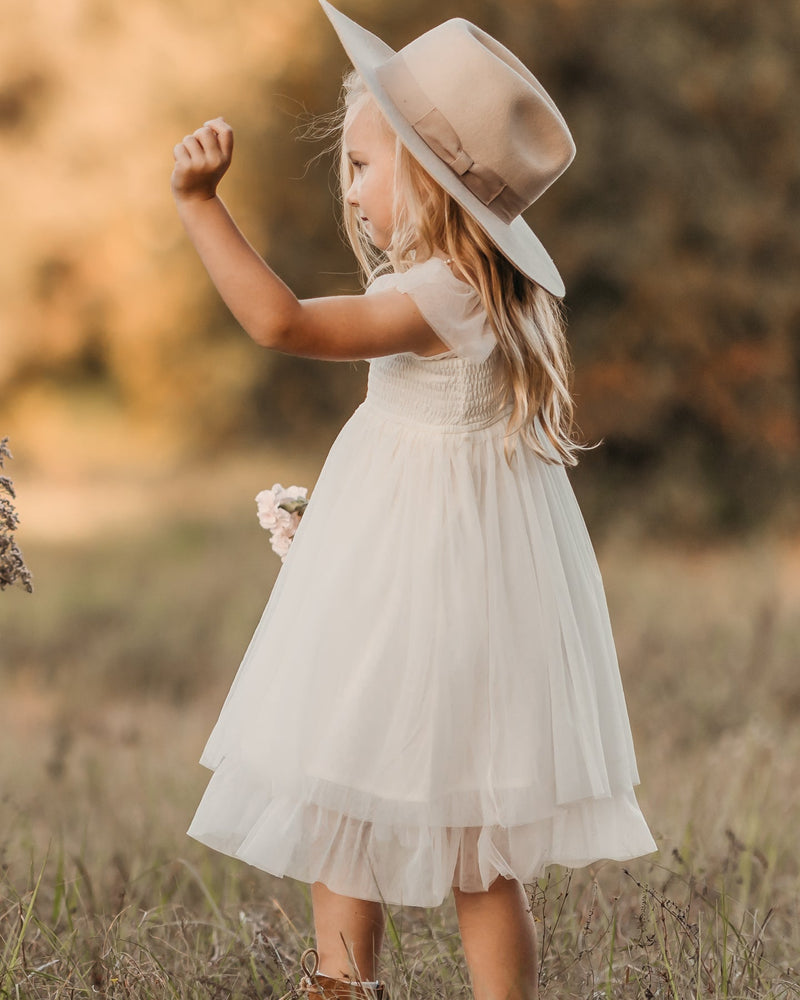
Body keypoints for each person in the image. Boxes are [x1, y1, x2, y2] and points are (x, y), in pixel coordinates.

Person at [171, 2, 657, 998]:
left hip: (408, 592)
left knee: (343, 803)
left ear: (429, 182)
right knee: (478, 852)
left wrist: (197, 203)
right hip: (455, 586)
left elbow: (282, 323)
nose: (347, 191)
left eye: (359, 166)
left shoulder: (441, 294)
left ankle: (341, 986)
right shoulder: (490, 295)